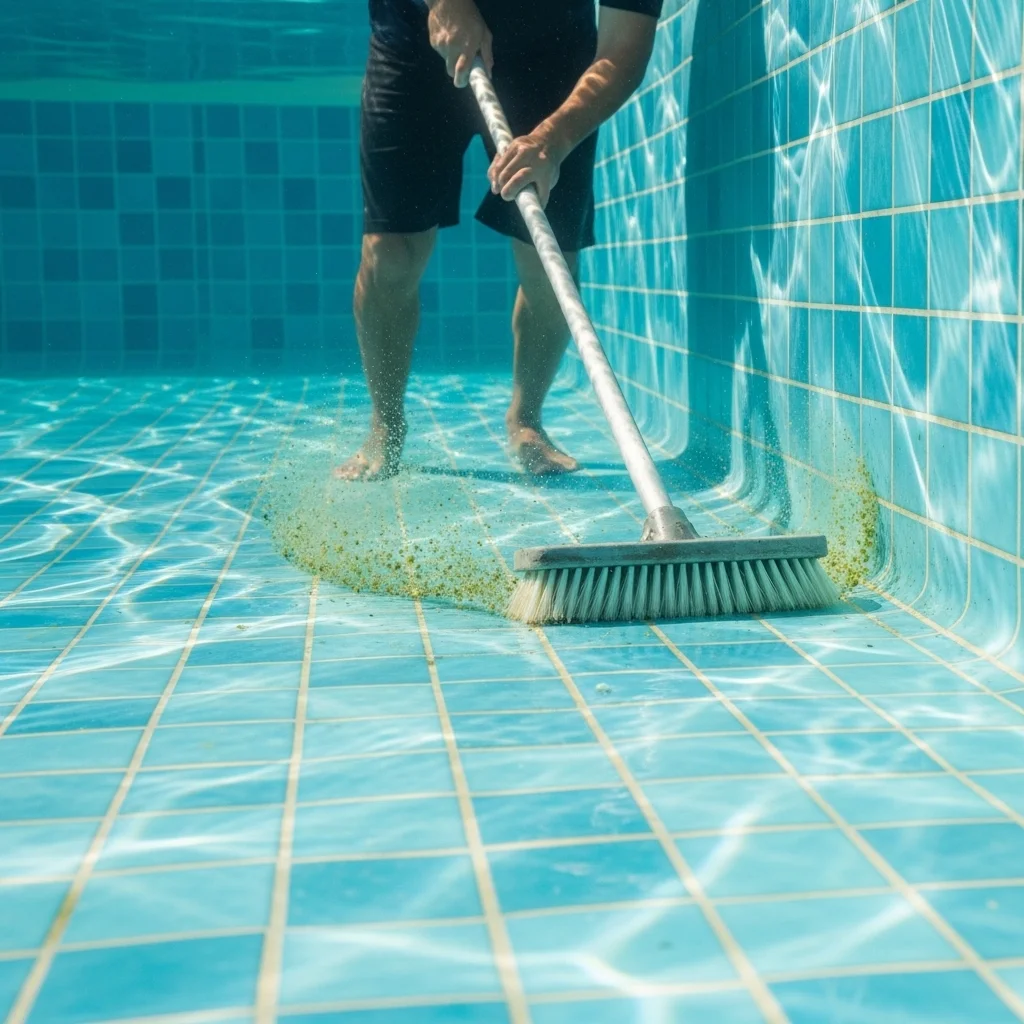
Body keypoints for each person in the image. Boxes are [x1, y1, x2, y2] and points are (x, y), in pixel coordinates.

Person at [336, 0, 663, 481]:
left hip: (550, 52)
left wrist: (551, 142)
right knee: (390, 255)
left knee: (547, 260)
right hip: (414, 39)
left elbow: (623, 50)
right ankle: (386, 424)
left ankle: (526, 418)